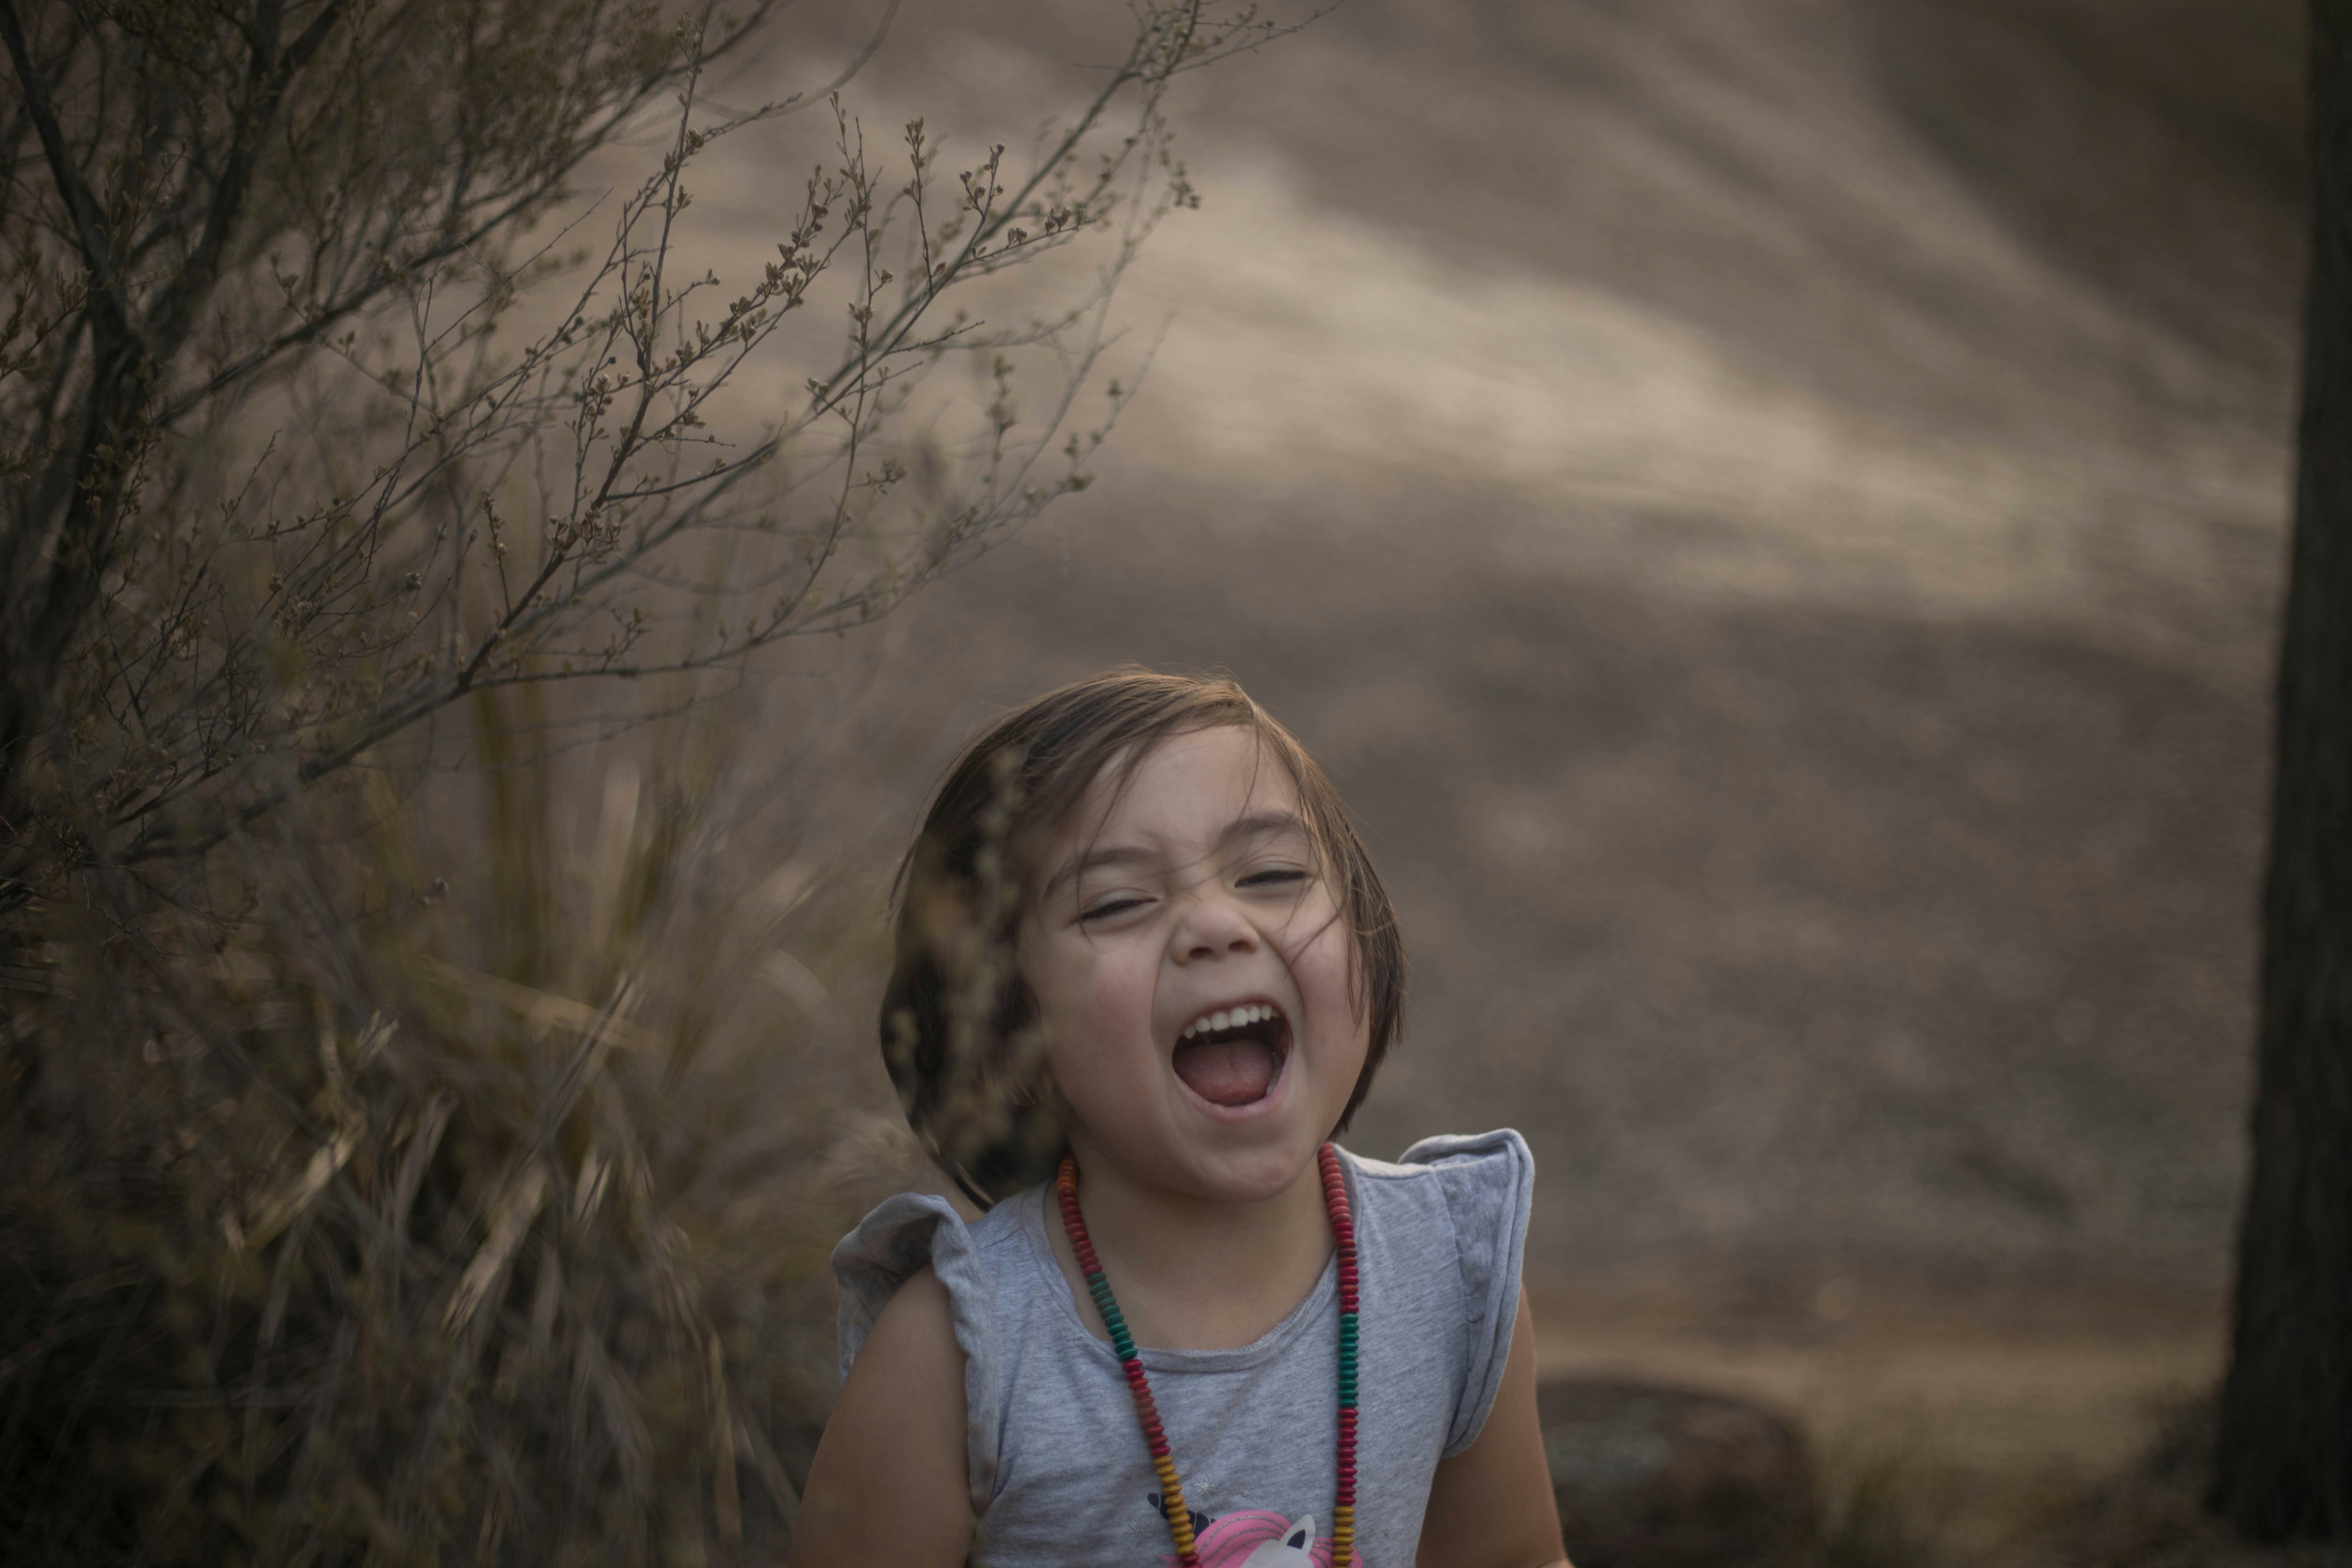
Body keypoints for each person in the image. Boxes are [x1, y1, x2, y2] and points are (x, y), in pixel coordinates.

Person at [791, 669, 1568, 1568]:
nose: (1215, 922)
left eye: (1272, 873)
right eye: (1116, 901)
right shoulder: (957, 1357)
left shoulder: (1452, 1274)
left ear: (1365, 932)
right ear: (1006, 1032)